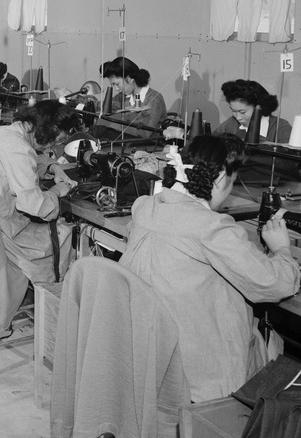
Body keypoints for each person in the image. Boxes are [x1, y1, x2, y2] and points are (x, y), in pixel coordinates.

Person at [119, 134, 300, 402]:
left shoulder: (146, 207)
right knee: (277, 348)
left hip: (148, 349)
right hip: (199, 369)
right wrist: (282, 249)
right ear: (218, 180)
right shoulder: (211, 228)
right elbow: (275, 284)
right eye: (232, 183)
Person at [0, 100, 79, 289]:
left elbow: (31, 154)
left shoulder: (4, 132)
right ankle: (51, 300)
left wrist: (53, 167)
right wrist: (56, 192)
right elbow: (36, 206)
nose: (54, 147)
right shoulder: (20, 150)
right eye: (57, 140)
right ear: (50, 130)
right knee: (66, 233)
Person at [213, 79, 297, 184]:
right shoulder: (231, 124)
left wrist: (264, 145)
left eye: (242, 112)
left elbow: (292, 166)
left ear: (260, 108)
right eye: (233, 111)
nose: (238, 117)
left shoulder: (281, 128)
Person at [92, 56, 167, 140]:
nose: (116, 89)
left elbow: (144, 133)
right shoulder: (124, 97)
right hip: (126, 143)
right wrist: (90, 103)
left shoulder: (154, 99)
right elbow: (105, 109)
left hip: (149, 147)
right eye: (113, 85)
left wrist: (112, 125)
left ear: (130, 79)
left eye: (117, 84)